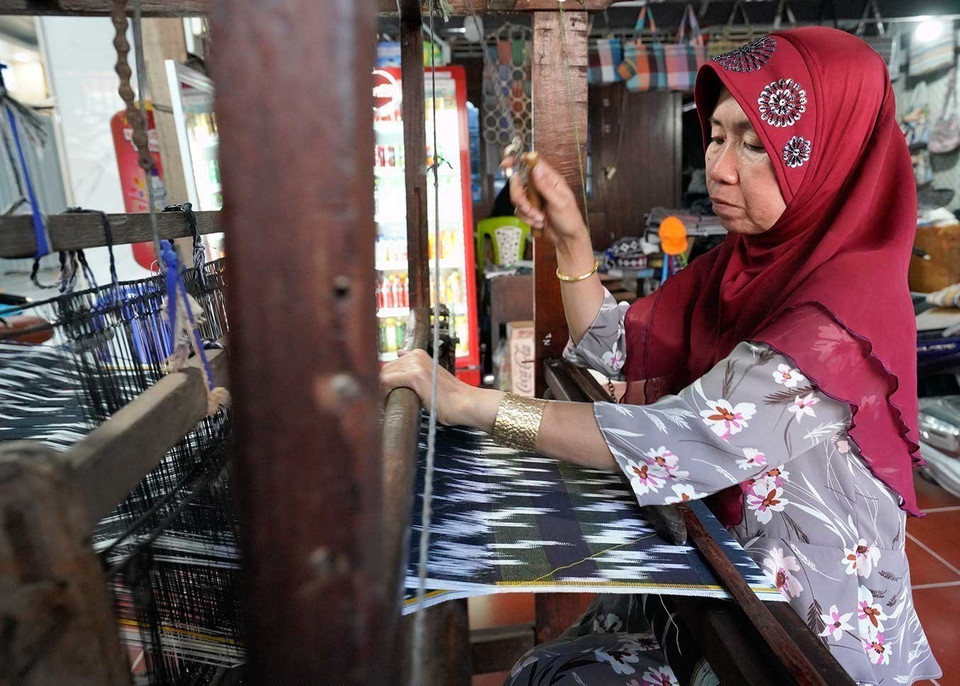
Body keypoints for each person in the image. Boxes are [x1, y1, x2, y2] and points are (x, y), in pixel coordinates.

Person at [381, 27, 941, 685]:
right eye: (719, 134)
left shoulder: (835, 324)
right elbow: (617, 345)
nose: (721, 167)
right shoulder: (743, 266)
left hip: (808, 647)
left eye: (758, 145)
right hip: (736, 590)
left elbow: (672, 440)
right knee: (546, 669)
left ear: (833, 160)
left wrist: (468, 403)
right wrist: (570, 240)